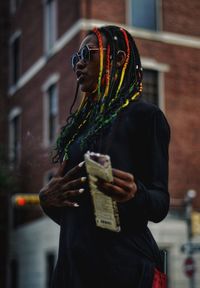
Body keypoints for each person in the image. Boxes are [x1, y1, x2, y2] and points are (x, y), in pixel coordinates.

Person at [39, 25, 170, 288]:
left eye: (88, 54)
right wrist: (47, 200)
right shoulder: (77, 130)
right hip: (72, 271)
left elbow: (160, 203)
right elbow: (75, 213)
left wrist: (136, 194)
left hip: (123, 270)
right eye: (76, 59)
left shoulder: (145, 116)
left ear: (119, 59)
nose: (79, 64)